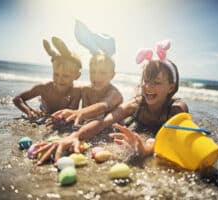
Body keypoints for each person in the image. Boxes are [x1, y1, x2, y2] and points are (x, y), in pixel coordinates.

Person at [33, 40, 188, 165]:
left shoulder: (176, 109)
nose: (148, 87)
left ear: (171, 87)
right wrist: (76, 135)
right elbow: (104, 121)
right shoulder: (137, 103)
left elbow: (174, 141)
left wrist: (147, 149)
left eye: (157, 82)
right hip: (138, 122)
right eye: (146, 80)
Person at [13, 37, 82, 122]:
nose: (60, 79)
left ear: (77, 76)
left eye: (66, 76)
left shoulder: (77, 91)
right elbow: (17, 99)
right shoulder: (44, 88)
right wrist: (30, 112)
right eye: (56, 74)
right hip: (45, 111)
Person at [50, 53, 123, 127]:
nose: (96, 76)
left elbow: (103, 106)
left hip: (109, 129)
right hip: (88, 126)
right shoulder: (85, 90)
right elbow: (69, 94)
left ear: (112, 75)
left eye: (103, 73)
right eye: (93, 72)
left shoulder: (114, 94)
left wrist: (79, 112)